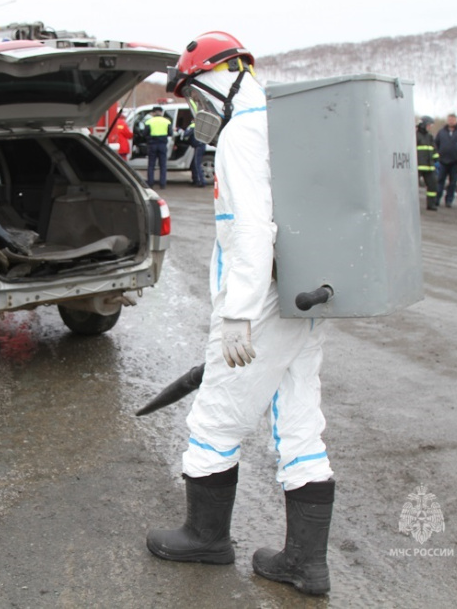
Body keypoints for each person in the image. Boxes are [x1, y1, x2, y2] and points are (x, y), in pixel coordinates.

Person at [147, 31, 336, 596]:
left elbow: (252, 231)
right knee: (299, 421)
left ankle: (205, 538)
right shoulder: (280, 121)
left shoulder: (242, 132)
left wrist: (238, 315)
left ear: (218, 76)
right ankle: (305, 563)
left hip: (264, 301)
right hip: (303, 294)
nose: (194, 110)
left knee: (214, 420)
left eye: (193, 96)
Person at [434, 113, 457, 208]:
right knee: (440, 180)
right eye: (449, 119)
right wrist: (437, 155)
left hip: (456, 161)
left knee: (453, 182)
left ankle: (449, 200)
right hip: (443, 161)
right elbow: (436, 144)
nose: (451, 121)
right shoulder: (441, 132)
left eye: (453, 119)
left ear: (456, 120)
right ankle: (437, 199)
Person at [144, 106, 172, 188]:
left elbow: (144, 134)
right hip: (162, 145)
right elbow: (170, 133)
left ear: (153, 112)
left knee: (151, 165)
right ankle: (162, 184)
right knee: (163, 165)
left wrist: (150, 138)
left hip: (152, 145)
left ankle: (150, 183)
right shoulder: (167, 121)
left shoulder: (149, 121)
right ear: (161, 112)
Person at [416, 116, 439, 211]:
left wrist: (436, 157)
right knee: (412, 187)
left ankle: (431, 204)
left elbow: (434, 149)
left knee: (433, 185)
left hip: (429, 167)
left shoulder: (429, 137)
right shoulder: (415, 136)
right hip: (418, 167)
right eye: (429, 125)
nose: (430, 127)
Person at [184, 121, 208, 187]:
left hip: (198, 146)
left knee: (197, 164)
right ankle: (196, 180)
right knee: (194, 164)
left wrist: (180, 130)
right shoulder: (202, 124)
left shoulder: (193, 125)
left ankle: (201, 182)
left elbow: (186, 134)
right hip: (201, 145)